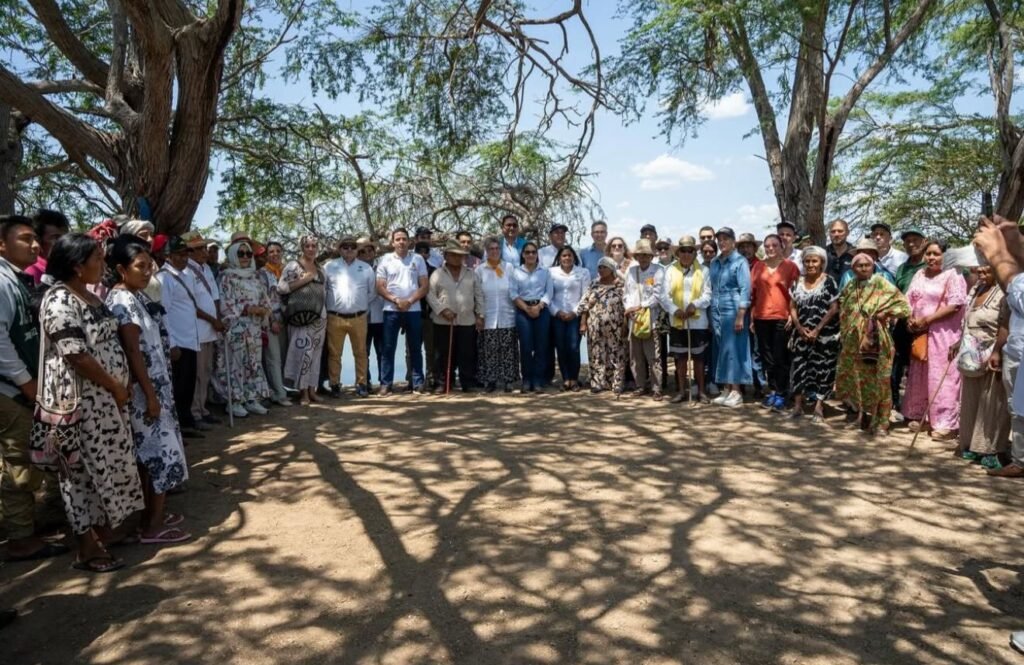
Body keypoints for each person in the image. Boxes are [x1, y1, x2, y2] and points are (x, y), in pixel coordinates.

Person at [40, 233, 145, 572]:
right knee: (81, 475)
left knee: (110, 468)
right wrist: (114, 384)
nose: (103, 265)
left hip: (107, 403)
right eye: (97, 259)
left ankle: (106, 533)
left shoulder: (90, 297)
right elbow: (76, 355)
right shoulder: (58, 301)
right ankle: (87, 548)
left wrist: (118, 388)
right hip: (80, 404)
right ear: (76, 265)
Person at [106, 236, 190, 545]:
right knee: (159, 457)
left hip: (156, 389)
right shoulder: (121, 301)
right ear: (120, 269)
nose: (147, 272)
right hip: (145, 395)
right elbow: (132, 350)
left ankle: (150, 517)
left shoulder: (134, 295)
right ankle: (153, 527)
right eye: (140, 267)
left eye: (149, 266)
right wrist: (151, 397)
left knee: (153, 457)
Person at [0, 216, 69, 562]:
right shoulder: (1, 282)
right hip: (11, 390)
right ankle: (20, 539)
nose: (35, 245)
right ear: (2, 244)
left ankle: (23, 526)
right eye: (25, 239)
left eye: (34, 239)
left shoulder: (18, 279)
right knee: (19, 464)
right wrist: (27, 383)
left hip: (20, 386)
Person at [835, 252, 910, 437]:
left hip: (878, 340)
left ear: (872, 266)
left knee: (881, 382)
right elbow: (844, 309)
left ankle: (882, 422)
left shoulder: (881, 283)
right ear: (853, 268)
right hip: (854, 342)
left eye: (866, 265)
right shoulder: (850, 285)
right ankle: (862, 417)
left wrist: (884, 313)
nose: (863, 268)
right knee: (858, 381)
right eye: (859, 266)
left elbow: (904, 306)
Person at [972, 215, 1024, 478]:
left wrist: (999, 255)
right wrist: (1015, 248)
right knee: (1020, 406)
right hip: (1018, 349)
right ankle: (1020, 460)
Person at [903, 241, 967, 439]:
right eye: (928, 254)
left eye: (936, 254)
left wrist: (927, 320)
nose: (931, 258)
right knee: (921, 373)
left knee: (943, 376)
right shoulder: (919, 274)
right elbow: (908, 300)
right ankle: (922, 416)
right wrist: (910, 319)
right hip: (921, 334)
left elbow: (956, 303)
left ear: (945, 256)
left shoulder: (953, 274)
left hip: (944, 333)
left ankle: (945, 423)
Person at [954, 265, 1010, 469]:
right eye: (980, 271)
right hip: (970, 352)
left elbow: (1005, 324)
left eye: (988, 271)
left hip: (992, 350)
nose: (983, 275)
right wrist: (957, 343)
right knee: (970, 399)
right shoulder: (975, 289)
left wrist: (997, 351)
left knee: (992, 401)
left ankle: (989, 449)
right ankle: (969, 445)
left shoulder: (1004, 292)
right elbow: (967, 321)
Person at [216, 240, 272, 416]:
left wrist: (264, 308)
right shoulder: (226, 277)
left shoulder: (255, 277)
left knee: (253, 363)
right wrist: (247, 309)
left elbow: (264, 299)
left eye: (248, 254)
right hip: (237, 327)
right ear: (233, 256)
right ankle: (235, 401)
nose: (245, 257)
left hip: (255, 327)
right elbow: (225, 304)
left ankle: (251, 398)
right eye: (241, 254)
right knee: (236, 365)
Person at [156, 237, 204, 439]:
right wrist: (172, 343)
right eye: (179, 254)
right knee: (178, 386)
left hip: (190, 338)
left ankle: (187, 422)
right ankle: (178, 426)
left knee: (188, 385)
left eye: (186, 254)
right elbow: (163, 311)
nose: (184, 258)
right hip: (178, 341)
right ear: (169, 256)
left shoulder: (187, 275)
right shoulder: (164, 278)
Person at [789, 246, 840, 424]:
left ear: (822, 263)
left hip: (825, 335)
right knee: (799, 368)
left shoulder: (829, 282)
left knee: (823, 369)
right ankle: (797, 406)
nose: (810, 264)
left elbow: (834, 308)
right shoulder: (796, 282)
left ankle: (819, 406)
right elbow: (793, 306)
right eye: (807, 261)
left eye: (814, 261)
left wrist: (817, 329)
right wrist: (799, 327)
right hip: (801, 334)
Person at [376, 228, 429, 396]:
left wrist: (410, 301)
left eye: (404, 239)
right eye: (397, 239)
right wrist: (396, 300)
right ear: (392, 242)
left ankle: (418, 383)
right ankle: (386, 384)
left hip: (413, 310)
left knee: (415, 348)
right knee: (388, 348)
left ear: (409, 241)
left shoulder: (418, 259)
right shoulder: (385, 260)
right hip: (391, 309)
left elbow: (425, 285)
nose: (401, 242)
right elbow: (380, 287)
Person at [750, 234, 800, 411]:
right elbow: (753, 295)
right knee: (767, 358)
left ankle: (782, 393)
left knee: (781, 357)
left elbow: (796, 294)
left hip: (782, 317)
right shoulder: (757, 267)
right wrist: (752, 318)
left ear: (781, 246)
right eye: (767, 246)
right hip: (761, 317)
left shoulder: (790, 267)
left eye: (774, 245)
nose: (771, 249)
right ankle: (772, 390)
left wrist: (791, 316)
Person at [427, 240, 484, 393]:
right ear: (445, 256)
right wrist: (442, 309)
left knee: (467, 353)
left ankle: (468, 382)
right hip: (443, 321)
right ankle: (443, 383)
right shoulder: (437, 274)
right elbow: (430, 294)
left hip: (467, 320)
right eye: (452, 255)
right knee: (443, 353)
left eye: (459, 256)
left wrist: (480, 315)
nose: (456, 258)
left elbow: (478, 295)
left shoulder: (471, 273)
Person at [661, 235, 712, 405]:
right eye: (683, 250)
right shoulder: (670, 270)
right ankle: (682, 391)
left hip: (698, 321)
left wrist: (694, 305)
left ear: (695, 253)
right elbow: (664, 296)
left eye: (690, 250)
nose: (686, 254)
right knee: (680, 358)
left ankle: (702, 392)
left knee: (699, 358)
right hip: (677, 320)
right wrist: (675, 310)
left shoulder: (703, 270)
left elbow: (707, 294)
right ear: (678, 252)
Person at [182, 231, 224, 429]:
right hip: (197, 329)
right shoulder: (187, 271)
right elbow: (192, 305)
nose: (205, 252)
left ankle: (203, 407)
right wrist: (211, 319)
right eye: (200, 248)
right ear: (190, 251)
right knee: (197, 373)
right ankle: (194, 411)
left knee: (207, 370)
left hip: (210, 329)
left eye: (204, 248)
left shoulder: (206, 268)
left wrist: (217, 318)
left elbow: (214, 296)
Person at [324, 236, 375, 398]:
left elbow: (372, 293)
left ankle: (361, 384)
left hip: (359, 317)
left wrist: (359, 307)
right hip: (335, 317)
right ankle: (334, 384)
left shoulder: (366, 268)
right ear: (339, 249)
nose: (349, 250)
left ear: (356, 250)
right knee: (334, 354)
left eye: (352, 247)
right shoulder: (329, 267)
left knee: (361, 352)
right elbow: (324, 291)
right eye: (345, 247)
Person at [279, 235, 327, 404]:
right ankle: (303, 393)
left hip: (319, 318)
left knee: (315, 355)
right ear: (302, 247)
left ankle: (313, 391)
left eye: (314, 246)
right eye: (307, 246)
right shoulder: (293, 266)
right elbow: (283, 288)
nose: (311, 249)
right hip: (300, 318)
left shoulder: (320, 268)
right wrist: (304, 279)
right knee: (303, 354)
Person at [709, 227, 752, 408]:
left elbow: (745, 289)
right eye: (719, 239)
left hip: (734, 309)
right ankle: (726, 388)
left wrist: (741, 315)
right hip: (717, 309)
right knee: (722, 350)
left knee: (735, 350)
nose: (722, 242)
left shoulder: (740, 261)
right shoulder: (714, 262)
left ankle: (736, 391)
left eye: (726, 239)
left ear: (733, 241)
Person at [891, 227, 927, 419]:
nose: (911, 244)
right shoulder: (902, 268)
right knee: (896, 363)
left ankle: (918, 407)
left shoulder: (930, 266)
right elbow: (897, 294)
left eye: (915, 240)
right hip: (903, 321)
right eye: (907, 241)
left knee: (918, 365)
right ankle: (894, 402)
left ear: (924, 241)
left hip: (923, 323)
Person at [476, 237, 520, 392]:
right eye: (491, 249)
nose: (494, 251)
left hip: (507, 315)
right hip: (488, 316)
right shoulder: (480, 270)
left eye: (497, 248)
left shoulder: (508, 268)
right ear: (486, 252)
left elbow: (514, 290)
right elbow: (478, 294)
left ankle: (509, 380)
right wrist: (479, 315)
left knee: (508, 348)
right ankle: (491, 381)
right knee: (490, 350)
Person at [578, 257, 627, 396]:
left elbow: (626, 306)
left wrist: (625, 325)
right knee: (596, 354)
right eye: (599, 267)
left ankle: (616, 383)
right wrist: (583, 323)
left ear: (612, 269)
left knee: (617, 353)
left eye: (604, 267)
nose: (601, 270)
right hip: (594, 326)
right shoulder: (593, 285)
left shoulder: (621, 286)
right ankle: (597, 382)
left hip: (616, 327)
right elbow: (584, 305)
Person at [624, 239, 665, 400]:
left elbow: (658, 295)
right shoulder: (631, 271)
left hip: (651, 318)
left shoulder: (658, 271)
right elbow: (626, 293)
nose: (643, 258)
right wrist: (629, 309)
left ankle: (656, 387)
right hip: (634, 320)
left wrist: (640, 306)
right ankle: (640, 385)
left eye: (646, 255)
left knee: (653, 355)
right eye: (640, 255)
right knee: (636, 356)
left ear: (650, 256)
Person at [509, 241, 553, 393]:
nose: (530, 255)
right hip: (523, 311)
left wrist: (539, 307)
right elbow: (513, 294)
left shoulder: (545, 272)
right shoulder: (516, 272)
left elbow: (549, 293)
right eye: (527, 252)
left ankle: (538, 380)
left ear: (537, 254)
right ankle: (527, 380)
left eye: (533, 252)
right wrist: (527, 309)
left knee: (541, 347)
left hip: (541, 310)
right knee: (526, 347)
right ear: (523, 255)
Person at [549, 246, 589, 391]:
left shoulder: (583, 272)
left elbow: (585, 296)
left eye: (569, 255)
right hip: (557, 315)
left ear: (574, 257)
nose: (567, 258)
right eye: (564, 256)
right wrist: (557, 312)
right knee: (561, 348)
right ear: (559, 258)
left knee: (573, 348)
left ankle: (574, 378)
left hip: (575, 316)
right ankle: (565, 379)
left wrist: (575, 313)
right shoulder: (551, 272)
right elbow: (548, 295)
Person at [257, 241, 290, 406]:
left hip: (286, 319)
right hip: (271, 319)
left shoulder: (286, 271)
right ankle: (278, 393)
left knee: (283, 355)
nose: (275, 254)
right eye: (271, 252)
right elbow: (263, 299)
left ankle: (281, 388)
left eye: (278, 250)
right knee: (273, 357)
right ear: (266, 255)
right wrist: (272, 321)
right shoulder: (262, 273)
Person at [358, 237, 385, 391]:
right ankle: (364, 382)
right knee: (363, 352)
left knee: (382, 352)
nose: (367, 253)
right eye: (362, 251)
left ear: (374, 251)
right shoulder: (355, 269)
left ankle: (384, 382)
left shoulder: (383, 267)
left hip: (381, 316)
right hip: (362, 317)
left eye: (370, 250)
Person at [414, 241, 439, 389]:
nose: (423, 255)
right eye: (420, 252)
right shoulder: (409, 270)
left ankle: (431, 378)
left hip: (430, 315)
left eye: (425, 252)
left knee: (431, 350)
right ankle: (413, 380)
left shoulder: (434, 271)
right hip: (413, 314)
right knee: (412, 349)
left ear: (429, 254)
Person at [25, 209, 69, 285]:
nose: (64, 242)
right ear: (37, 240)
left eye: (66, 237)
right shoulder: (32, 270)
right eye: (56, 237)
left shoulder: (68, 268)